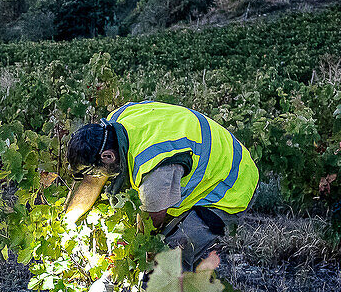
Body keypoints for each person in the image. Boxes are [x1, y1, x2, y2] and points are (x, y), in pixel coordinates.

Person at [63, 100, 259, 277]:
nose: (94, 176)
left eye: (92, 171)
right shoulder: (116, 122)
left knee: (163, 264)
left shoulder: (154, 169)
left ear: (107, 156)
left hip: (230, 185)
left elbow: (148, 231)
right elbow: (91, 182)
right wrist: (66, 223)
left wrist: (112, 277)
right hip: (210, 155)